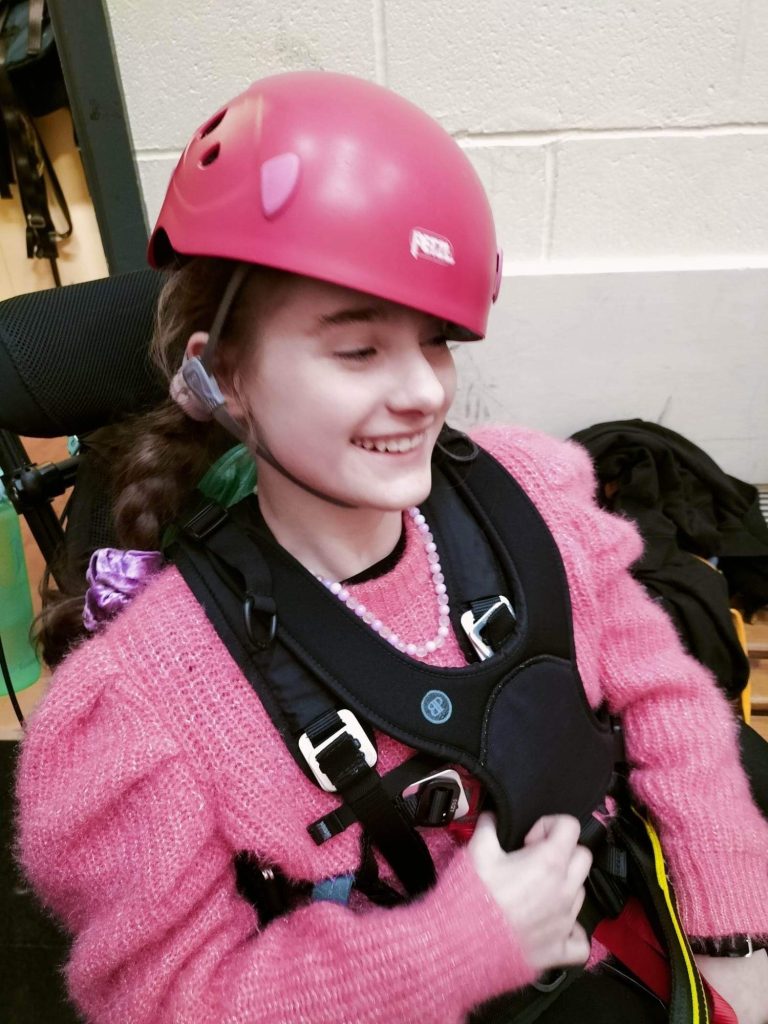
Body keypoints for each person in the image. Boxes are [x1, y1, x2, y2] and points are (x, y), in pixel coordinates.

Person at [15, 71, 768, 1024]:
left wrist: (733, 930)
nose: (424, 391)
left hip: (648, 944)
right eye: (359, 350)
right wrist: (452, 950)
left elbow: (664, 699)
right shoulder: (142, 705)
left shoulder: (531, 494)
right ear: (226, 374)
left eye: (436, 341)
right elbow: (162, 1001)